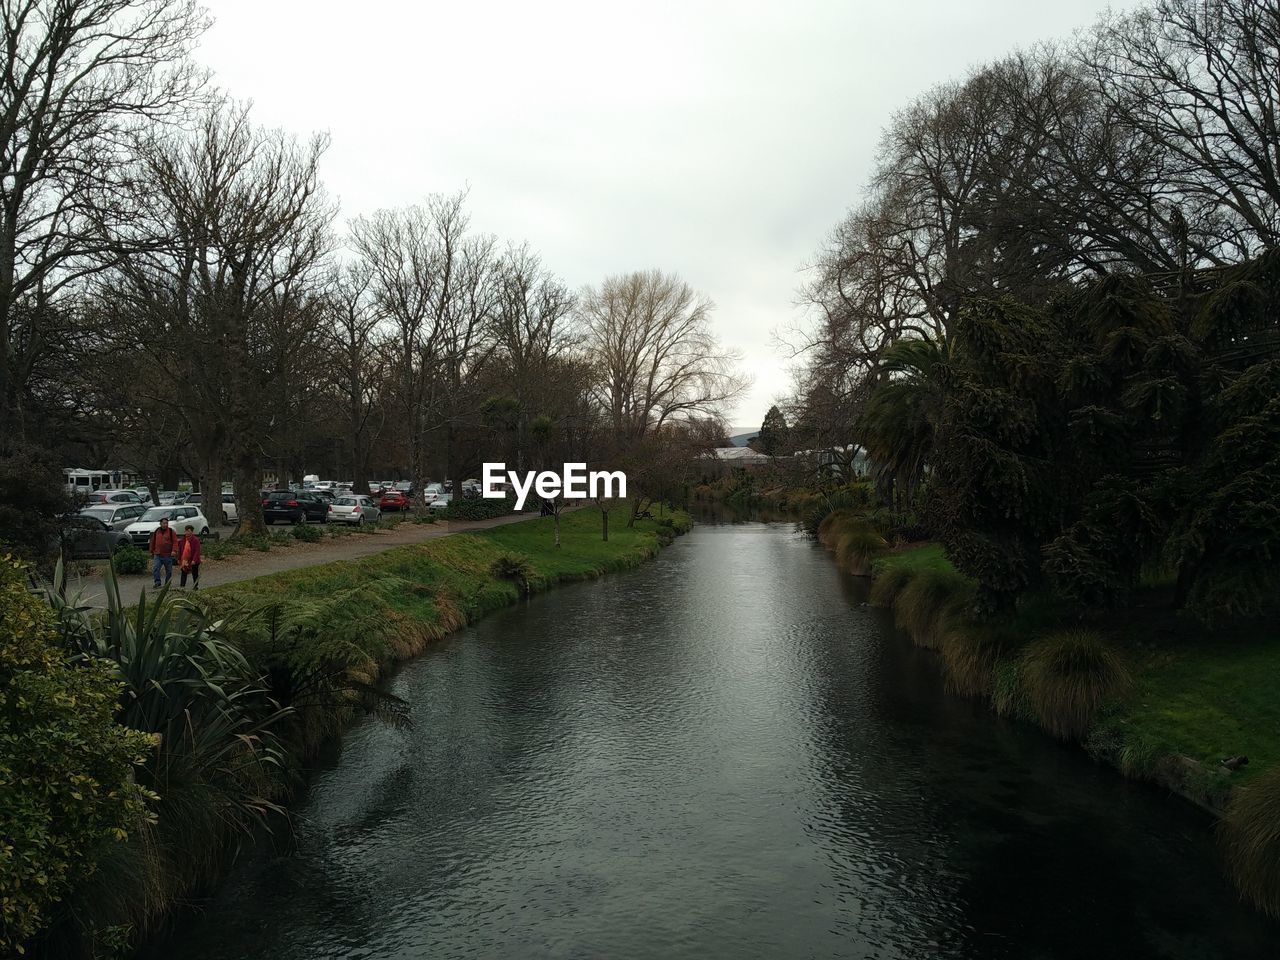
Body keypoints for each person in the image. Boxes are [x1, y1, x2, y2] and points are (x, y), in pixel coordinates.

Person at [149, 515, 178, 588]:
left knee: (169, 571)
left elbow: (175, 542)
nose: (165, 524)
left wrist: (174, 550)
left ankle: (167, 583)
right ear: (160, 524)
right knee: (156, 568)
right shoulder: (156, 531)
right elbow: (153, 541)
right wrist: (152, 551)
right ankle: (157, 582)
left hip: (168, 554)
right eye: (164, 523)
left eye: (166, 523)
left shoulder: (171, 532)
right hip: (158, 554)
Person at [178, 524, 202, 590]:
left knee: (195, 573)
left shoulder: (195, 540)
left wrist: (194, 560)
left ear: (192, 531)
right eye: (186, 531)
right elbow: (180, 550)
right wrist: (179, 558)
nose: (187, 532)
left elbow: (197, 551)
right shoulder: (183, 540)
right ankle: (182, 586)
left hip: (193, 560)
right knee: (183, 572)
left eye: (188, 531)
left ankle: (195, 586)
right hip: (185, 559)